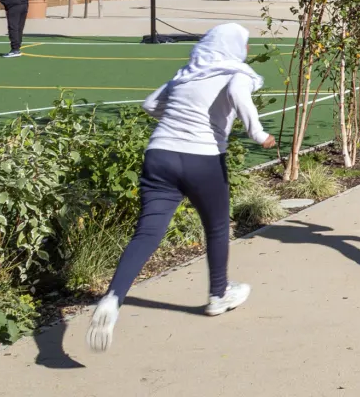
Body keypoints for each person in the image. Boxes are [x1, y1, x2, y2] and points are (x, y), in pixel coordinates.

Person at [87, 23, 276, 351]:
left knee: (147, 233)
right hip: (203, 158)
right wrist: (259, 134)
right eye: (244, 44)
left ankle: (113, 298)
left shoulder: (186, 74)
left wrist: (180, 117)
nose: (246, 50)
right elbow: (238, 95)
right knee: (217, 227)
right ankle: (218, 294)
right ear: (233, 46)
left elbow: (151, 104)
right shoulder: (236, 73)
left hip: (159, 155)